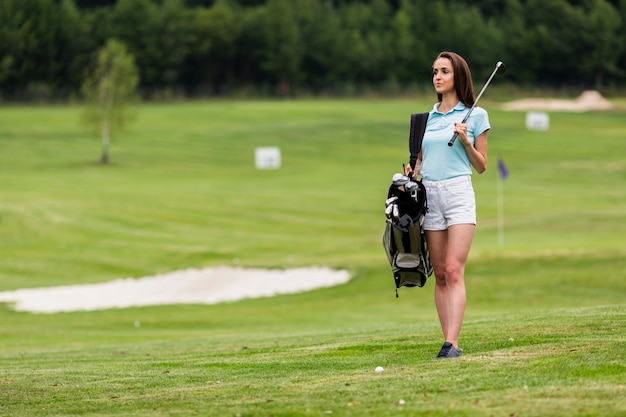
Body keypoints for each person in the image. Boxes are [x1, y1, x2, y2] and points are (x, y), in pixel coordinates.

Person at [404, 51, 490, 359]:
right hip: (431, 195)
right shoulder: (426, 120)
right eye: (434, 72)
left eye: (444, 71)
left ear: (458, 76)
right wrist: (411, 175)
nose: (437, 77)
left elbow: (481, 166)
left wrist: (466, 141)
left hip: (458, 194)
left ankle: (452, 343)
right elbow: (420, 163)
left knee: (454, 269)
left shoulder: (476, 115)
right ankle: (447, 340)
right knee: (439, 273)